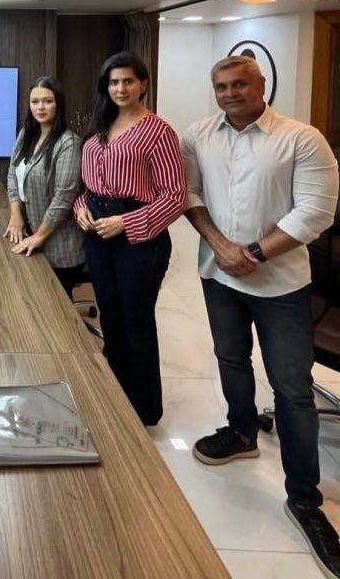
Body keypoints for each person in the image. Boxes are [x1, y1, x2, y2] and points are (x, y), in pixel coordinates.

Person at [181, 54, 340, 577]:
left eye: (239, 84)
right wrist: (220, 246)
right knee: (231, 359)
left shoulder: (301, 139)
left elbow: (315, 212)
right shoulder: (198, 135)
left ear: (262, 84)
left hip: (281, 285)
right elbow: (189, 194)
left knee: (293, 389)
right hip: (218, 276)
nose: (230, 93)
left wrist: (251, 252)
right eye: (221, 86)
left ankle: (305, 499)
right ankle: (242, 431)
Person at [74, 51, 186, 426]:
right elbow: (86, 188)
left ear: (143, 84)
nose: (120, 88)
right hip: (98, 236)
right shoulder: (99, 126)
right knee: (110, 316)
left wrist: (126, 223)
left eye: (127, 81)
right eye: (113, 82)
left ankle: (143, 410)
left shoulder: (158, 131)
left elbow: (175, 197)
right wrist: (80, 209)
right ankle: (115, 395)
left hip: (140, 240)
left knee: (136, 321)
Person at [6, 76, 85, 294]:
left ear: (58, 104)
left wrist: (39, 236)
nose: (40, 107)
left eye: (47, 101)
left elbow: (63, 199)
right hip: (29, 232)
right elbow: (12, 174)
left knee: (54, 306)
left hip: (60, 248)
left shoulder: (69, 143)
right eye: (35, 101)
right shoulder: (26, 135)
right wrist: (16, 216)